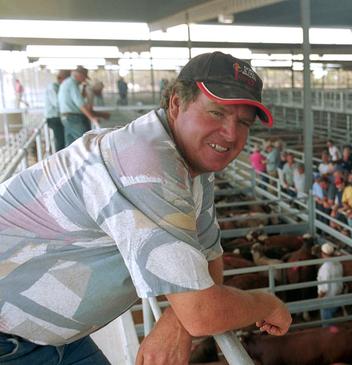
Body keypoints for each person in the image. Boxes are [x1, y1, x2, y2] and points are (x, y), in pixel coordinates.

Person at [0, 52, 291, 364]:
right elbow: (202, 314)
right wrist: (266, 303)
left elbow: (210, 258)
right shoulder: (145, 163)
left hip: (52, 338)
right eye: (217, 114)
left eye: (243, 122)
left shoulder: (193, 167)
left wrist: (176, 321)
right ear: (177, 103)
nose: (232, 134)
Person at [58, 66, 109, 147]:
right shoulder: (72, 84)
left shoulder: (67, 83)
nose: (84, 80)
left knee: (70, 144)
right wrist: (92, 118)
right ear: (80, 75)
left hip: (66, 117)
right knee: (84, 142)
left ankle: (72, 159)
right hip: (73, 117)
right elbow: (80, 104)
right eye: (84, 78)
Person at [44, 70, 71, 152]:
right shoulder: (53, 87)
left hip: (58, 117)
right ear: (62, 79)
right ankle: (59, 160)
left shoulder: (59, 87)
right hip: (54, 117)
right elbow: (57, 103)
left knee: (62, 139)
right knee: (60, 140)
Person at [317, 243, 343, 324]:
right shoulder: (338, 263)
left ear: (323, 254)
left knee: (326, 321)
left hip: (328, 298)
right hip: (338, 294)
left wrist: (319, 298)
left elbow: (324, 288)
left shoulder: (325, 268)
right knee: (333, 317)